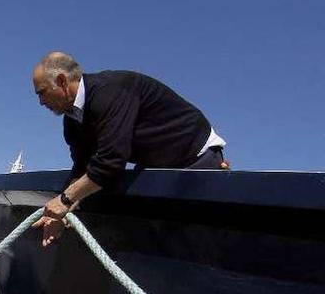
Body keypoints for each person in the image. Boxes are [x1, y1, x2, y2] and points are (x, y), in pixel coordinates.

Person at [29, 52, 228, 247]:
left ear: (63, 81)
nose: (41, 102)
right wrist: (60, 216)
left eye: (42, 92)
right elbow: (83, 169)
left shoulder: (110, 91)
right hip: (154, 170)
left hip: (196, 159)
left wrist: (64, 200)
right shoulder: (72, 122)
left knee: (196, 243)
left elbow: (111, 162)